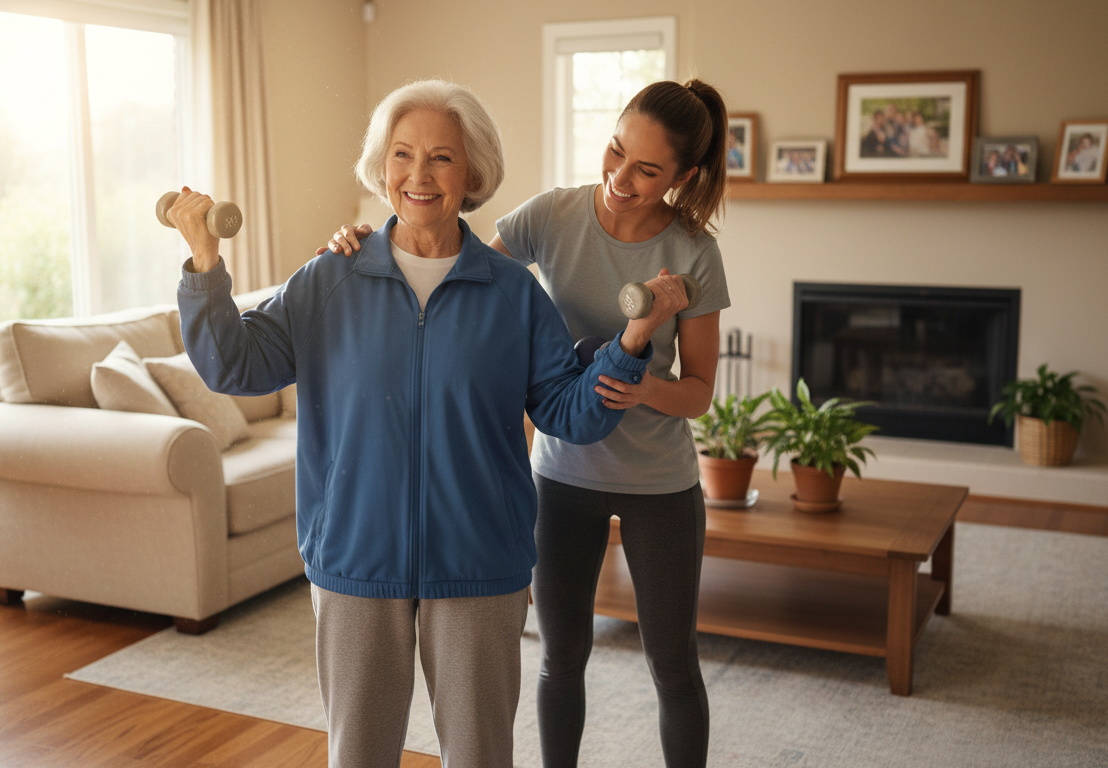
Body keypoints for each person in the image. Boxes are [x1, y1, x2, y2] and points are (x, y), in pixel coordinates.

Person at [167, 79, 683, 768]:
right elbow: (234, 365)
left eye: (441, 157)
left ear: (472, 174)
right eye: (403, 154)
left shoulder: (510, 293)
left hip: (479, 564)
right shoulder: (330, 279)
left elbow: (569, 412)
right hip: (354, 560)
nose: (418, 174)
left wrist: (630, 343)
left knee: (478, 756)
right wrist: (206, 262)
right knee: (360, 756)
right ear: (382, 168)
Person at [324, 78, 731, 768]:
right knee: (561, 655)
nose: (621, 177)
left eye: (647, 170)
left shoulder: (694, 253)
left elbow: (697, 394)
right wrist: (373, 246)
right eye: (615, 152)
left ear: (684, 177)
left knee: (672, 661)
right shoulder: (553, 215)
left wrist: (639, 385)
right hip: (563, 472)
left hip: (657, 481)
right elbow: (462, 278)